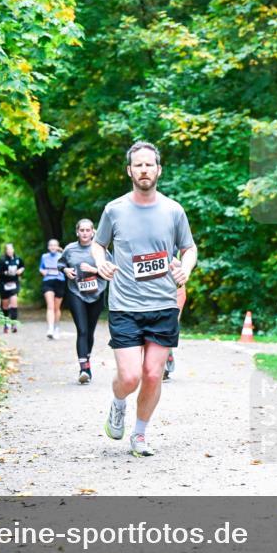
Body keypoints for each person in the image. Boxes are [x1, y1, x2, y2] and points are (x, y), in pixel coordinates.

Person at [92, 141, 197, 457]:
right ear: (129, 170)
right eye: (138, 165)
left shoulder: (173, 210)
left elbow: (188, 248)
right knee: (130, 376)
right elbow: (99, 244)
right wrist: (101, 261)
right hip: (125, 305)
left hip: (163, 304)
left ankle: (139, 435)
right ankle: (118, 403)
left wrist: (185, 270)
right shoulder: (114, 209)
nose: (144, 169)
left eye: (149, 164)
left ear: (159, 169)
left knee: (153, 374)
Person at [59, 219, 107, 384]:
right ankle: (84, 369)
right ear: (77, 232)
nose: (85, 233)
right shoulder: (70, 249)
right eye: (82, 230)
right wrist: (65, 270)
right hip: (76, 292)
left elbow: (111, 270)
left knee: (90, 331)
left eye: (88, 230)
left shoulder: (100, 249)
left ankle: (87, 359)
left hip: (97, 293)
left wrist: (95, 270)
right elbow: (61, 264)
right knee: (82, 330)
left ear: (93, 232)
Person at [162, 248, 188, 380]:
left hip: (176, 289)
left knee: (169, 326)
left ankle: (166, 359)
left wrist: (182, 265)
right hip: (153, 288)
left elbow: (192, 259)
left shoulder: (179, 234)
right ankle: (162, 360)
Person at [39, 238, 66, 340]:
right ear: (48, 247)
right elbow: (41, 267)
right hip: (48, 282)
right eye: (51, 245)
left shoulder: (62, 256)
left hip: (60, 281)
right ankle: (50, 329)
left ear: (57, 247)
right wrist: (43, 271)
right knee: (50, 306)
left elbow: (69, 260)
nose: (53, 247)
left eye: (55, 245)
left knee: (56, 308)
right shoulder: (44, 256)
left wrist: (62, 250)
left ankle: (56, 328)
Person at [0, 243, 25, 333]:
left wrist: (20, 270)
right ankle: (6, 323)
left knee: (14, 303)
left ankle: (14, 324)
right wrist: (6, 272)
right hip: (4, 284)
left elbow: (22, 266)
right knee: (5, 305)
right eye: (7, 250)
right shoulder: (2, 260)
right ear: (5, 251)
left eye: (11, 249)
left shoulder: (18, 259)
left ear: (13, 250)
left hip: (14, 283)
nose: (9, 251)